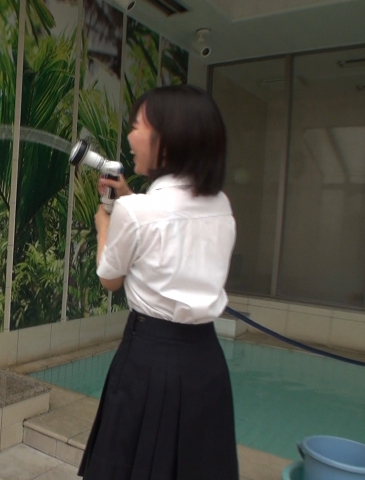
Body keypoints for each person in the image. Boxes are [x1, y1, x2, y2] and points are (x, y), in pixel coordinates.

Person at [78, 84, 239, 480]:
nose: (130, 136)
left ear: (169, 139)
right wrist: (129, 199)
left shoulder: (137, 211)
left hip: (149, 361)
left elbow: (110, 278)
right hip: (206, 362)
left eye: (138, 126)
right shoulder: (221, 204)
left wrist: (104, 225)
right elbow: (167, 237)